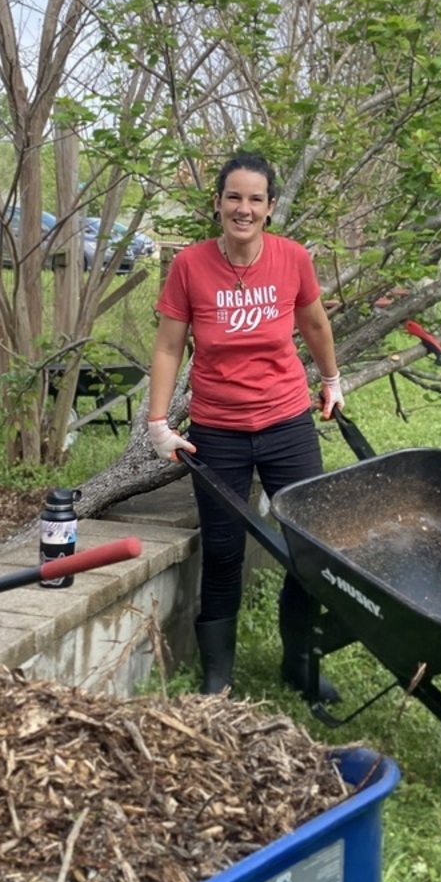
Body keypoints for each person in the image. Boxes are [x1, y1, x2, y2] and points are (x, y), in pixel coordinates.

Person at [147, 151, 345, 701]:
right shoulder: (189, 265)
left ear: (271, 207)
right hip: (218, 429)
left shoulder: (292, 259)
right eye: (234, 196)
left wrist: (330, 380)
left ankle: (300, 663)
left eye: (255, 199)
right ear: (217, 204)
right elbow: (168, 346)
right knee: (224, 549)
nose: (244, 208)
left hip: (286, 421)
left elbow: (314, 322)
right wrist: (158, 421)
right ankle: (218, 673)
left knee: (310, 544)